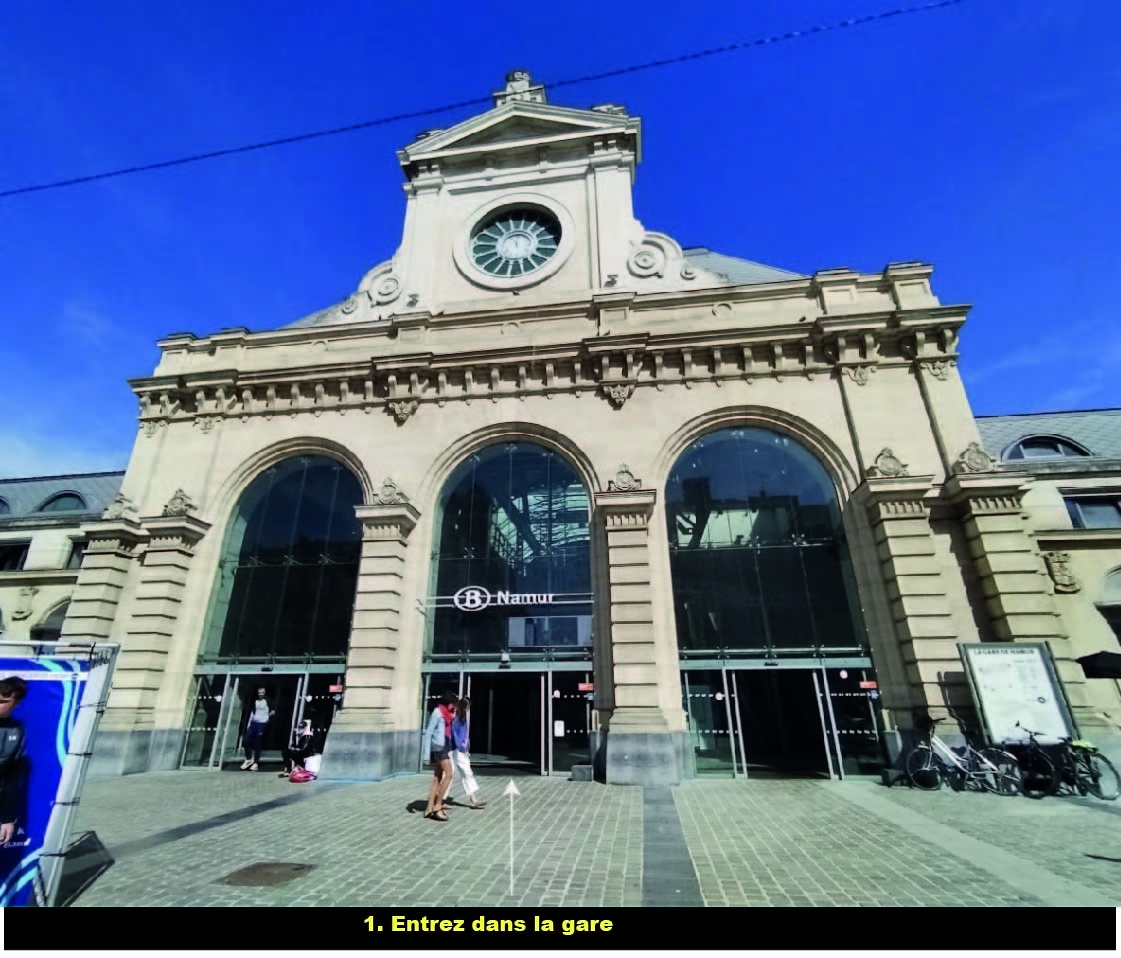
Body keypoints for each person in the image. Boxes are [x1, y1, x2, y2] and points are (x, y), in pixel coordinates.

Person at [0, 677, 29, 846]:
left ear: (16, 704)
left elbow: (11, 777)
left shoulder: (17, 731)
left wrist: (8, 819)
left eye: (2, 701)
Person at [445, 697, 486, 809]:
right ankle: (441, 800)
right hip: (456, 750)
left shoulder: (461, 718)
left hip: (460, 750)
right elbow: (455, 735)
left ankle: (473, 799)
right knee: (452, 774)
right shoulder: (457, 719)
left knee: (466, 773)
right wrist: (461, 747)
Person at [423, 691, 457, 821]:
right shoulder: (438, 712)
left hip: (445, 746)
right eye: (452, 704)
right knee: (449, 774)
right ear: (447, 703)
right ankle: (437, 806)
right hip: (439, 747)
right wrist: (426, 755)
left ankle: (429, 808)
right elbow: (429, 732)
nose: (453, 706)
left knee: (437, 777)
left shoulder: (448, 714)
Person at [240, 687, 273, 771]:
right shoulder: (255, 701)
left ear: (265, 693)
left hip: (262, 723)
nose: (260, 694)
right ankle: (248, 758)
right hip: (254, 723)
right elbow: (252, 712)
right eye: (259, 692)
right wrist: (249, 724)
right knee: (245, 741)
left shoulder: (267, 701)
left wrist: (267, 719)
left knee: (257, 743)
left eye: (262, 692)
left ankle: (256, 762)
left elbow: (273, 711)